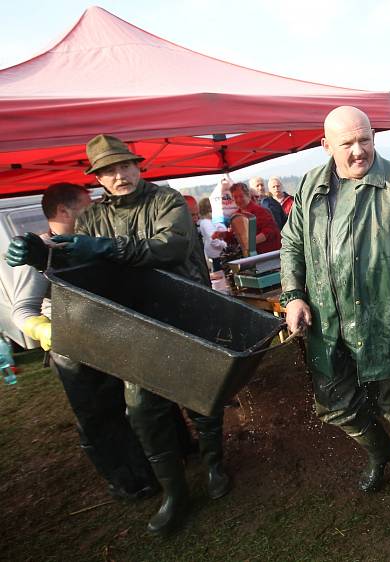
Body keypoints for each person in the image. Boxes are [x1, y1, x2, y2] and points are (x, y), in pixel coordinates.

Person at [8, 135, 233, 534]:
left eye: (124, 166)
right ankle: (174, 492)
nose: (119, 175)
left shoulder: (166, 201)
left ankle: (215, 464)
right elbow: (74, 261)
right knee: (143, 408)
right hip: (133, 325)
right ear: (98, 178)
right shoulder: (92, 218)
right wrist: (39, 255)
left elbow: (169, 249)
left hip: (186, 312)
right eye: (108, 170)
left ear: (138, 165)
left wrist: (106, 248)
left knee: (200, 395)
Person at [280, 106, 390, 513]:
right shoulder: (310, 186)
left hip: (388, 317)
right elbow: (292, 242)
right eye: (348, 144)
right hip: (327, 322)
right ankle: (379, 452)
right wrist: (292, 295)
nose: (360, 151)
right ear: (326, 145)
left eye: (366, 139)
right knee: (336, 404)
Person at [8, 183, 158, 501]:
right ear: (64, 211)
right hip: (73, 351)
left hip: (109, 337)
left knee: (131, 407)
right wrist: (47, 331)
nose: (94, 211)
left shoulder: (85, 245)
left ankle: (154, 465)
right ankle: (128, 482)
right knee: (98, 417)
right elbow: (22, 310)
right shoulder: (42, 250)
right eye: (86, 205)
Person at [214, 182, 281, 256]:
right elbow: (236, 238)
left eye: (241, 196)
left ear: (248, 195)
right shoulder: (236, 216)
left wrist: (249, 242)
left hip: (267, 255)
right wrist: (224, 235)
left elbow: (270, 231)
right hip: (250, 257)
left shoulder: (260, 211)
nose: (238, 200)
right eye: (235, 197)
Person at [197, 197, 227, 271]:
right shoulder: (206, 223)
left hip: (214, 252)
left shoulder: (204, 222)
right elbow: (213, 239)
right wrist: (224, 245)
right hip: (217, 254)